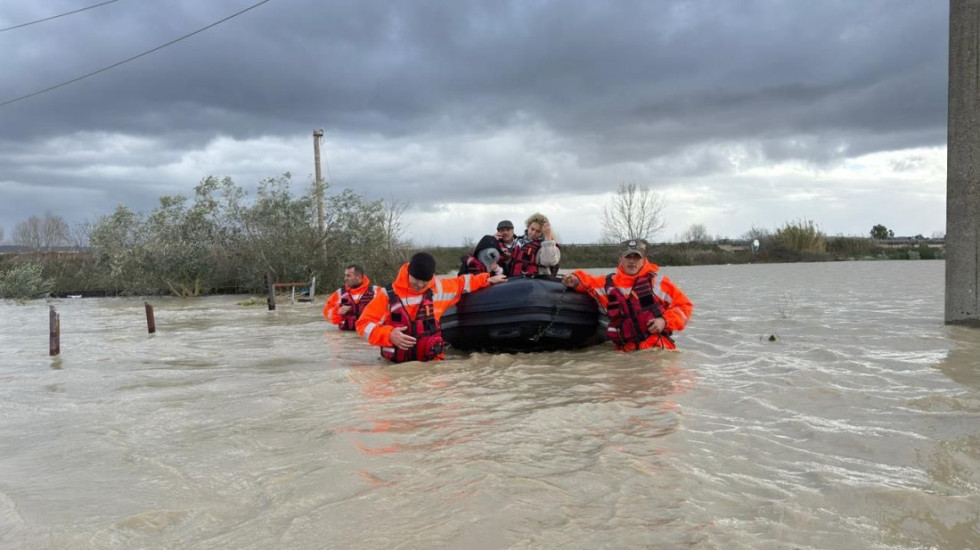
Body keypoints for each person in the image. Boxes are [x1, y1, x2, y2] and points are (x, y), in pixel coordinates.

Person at [357, 252, 507, 363]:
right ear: (408, 272)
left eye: (425, 281)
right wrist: (389, 335)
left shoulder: (439, 288)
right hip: (397, 367)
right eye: (416, 280)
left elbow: (463, 283)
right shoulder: (386, 296)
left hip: (432, 365)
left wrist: (488, 279)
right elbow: (363, 325)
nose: (421, 285)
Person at [562, 239, 693, 351]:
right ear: (620, 260)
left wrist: (664, 321)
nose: (632, 261)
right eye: (628, 257)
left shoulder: (658, 283)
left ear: (644, 260)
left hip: (657, 348)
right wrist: (575, 279)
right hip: (626, 352)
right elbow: (588, 282)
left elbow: (684, 306)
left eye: (636, 257)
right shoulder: (607, 285)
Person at [323, 264, 382, 331]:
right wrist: (337, 311)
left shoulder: (376, 291)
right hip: (347, 337)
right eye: (345, 275)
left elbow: (391, 312)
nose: (345, 278)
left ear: (358, 277)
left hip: (368, 335)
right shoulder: (339, 293)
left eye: (348, 276)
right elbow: (326, 314)